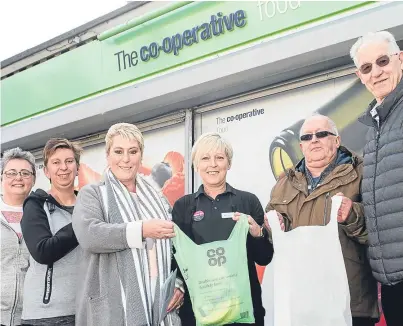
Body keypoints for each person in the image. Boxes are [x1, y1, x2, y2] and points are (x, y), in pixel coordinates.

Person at [265, 115, 379, 326]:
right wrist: (273, 226)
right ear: (301, 146)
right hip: (301, 303)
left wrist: (352, 214)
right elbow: (272, 233)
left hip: (349, 303)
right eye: (307, 137)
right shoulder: (283, 183)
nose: (314, 140)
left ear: (336, 140)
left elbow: (381, 229)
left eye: (322, 134)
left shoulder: (363, 172)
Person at [72, 123, 182, 326]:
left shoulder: (158, 199)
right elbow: (89, 235)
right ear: (108, 156)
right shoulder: (94, 193)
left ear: (141, 156)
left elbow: (176, 248)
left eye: (133, 151)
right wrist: (141, 230)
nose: (126, 159)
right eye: (118, 151)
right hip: (115, 306)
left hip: (158, 300)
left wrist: (177, 284)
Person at [172, 132, 274, 326]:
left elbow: (264, 258)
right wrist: (176, 287)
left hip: (243, 310)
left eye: (219, 158)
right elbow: (176, 261)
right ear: (196, 165)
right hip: (199, 312)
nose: (213, 164)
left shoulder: (248, 201)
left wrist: (259, 234)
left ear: (229, 163)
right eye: (205, 158)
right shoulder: (183, 207)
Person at [350, 30, 403, 326]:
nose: (376, 72)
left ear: (400, 60)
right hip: (392, 281)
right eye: (367, 67)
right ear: (360, 76)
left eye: (383, 61)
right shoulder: (374, 131)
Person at [21, 138, 82, 326]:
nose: (63, 167)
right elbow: (43, 250)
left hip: (86, 310)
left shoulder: (89, 204)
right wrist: (84, 223)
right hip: (46, 316)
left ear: (77, 167)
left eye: (69, 161)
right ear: (46, 171)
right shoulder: (36, 204)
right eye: (56, 162)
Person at [1, 148, 36, 326]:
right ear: (1, 178)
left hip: (31, 317)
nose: (18, 178)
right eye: (11, 173)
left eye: (25, 173)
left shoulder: (43, 216)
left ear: (34, 179)